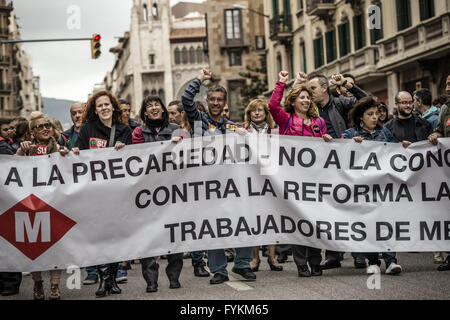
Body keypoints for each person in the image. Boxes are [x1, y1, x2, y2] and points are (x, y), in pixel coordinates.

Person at [182, 68, 254, 285]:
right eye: (211, 99)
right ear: (207, 99)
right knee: (213, 227)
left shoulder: (234, 127)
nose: (215, 103)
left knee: (244, 222)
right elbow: (186, 100)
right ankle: (219, 270)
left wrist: (248, 136)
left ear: (225, 102)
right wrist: (199, 80)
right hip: (209, 186)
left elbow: (257, 149)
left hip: (235, 185)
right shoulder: (198, 121)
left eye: (219, 100)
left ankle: (242, 265)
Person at [269, 71, 332, 277]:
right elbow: (272, 106)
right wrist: (281, 82)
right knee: (299, 222)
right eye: (302, 97)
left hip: (315, 180)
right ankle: (301, 263)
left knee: (315, 222)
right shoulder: (286, 120)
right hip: (294, 181)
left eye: (308, 97)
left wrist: (328, 141)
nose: (306, 100)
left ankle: (315, 261)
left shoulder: (319, 122)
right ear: (294, 101)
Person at [305, 72, 369, 270]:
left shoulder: (341, 103)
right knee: (330, 212)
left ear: (325, 87)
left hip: (347, 162)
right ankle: (333, 255)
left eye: (313, 88)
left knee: (352, 208)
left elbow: (367, 101)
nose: (310, 93)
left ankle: (359, 254)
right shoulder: (310, 110)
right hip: (322, 167)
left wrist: (346, 85)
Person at [72, 90, 131, 298]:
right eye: (100, 106)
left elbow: (132, 161)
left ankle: (112, 279)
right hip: (95, 192)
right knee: (99, 236)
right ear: (95, 110)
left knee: (114, 235)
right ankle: (104, 278)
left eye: (107, 104)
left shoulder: (124, 130)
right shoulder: (87, 129)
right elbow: (77, 153)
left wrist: (126, 149)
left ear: (113, 107)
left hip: (116, 192)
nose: (104, 108)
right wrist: (75, 153)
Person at [132, 95, 186, 292]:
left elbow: (187, 153)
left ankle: (174, 277)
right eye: (149, 106)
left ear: (163, 109)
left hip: (173, 191)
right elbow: (139, 156)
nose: (153, 108)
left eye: (156, 105)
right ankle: (151, 280)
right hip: (148, 193)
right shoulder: (139, 131)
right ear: (145, 112)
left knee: (174, 234)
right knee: (149, 237)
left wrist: (178, 143)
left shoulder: (176, 130)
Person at [340, 96, 398, 274]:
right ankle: (373, 261)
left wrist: (403, 147)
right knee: (366, 225)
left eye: (377, 114)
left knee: (385, 224)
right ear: (361, 117)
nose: (375, 117)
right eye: (370, 114)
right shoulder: (350, 135)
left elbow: (396, 154)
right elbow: (337, 155)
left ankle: (390, 261)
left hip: (381, 189)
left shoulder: (385, 133)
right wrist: (350, 145)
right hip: (361, 190)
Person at [16, 112, 69, 300]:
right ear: (32, 132)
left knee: (58, 247)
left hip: (56, 204)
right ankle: (38, 283)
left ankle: (55, 286)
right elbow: (11, 171)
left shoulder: (61, 148)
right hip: (33, 206)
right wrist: (22, 152)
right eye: (40, 126)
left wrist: (68, 156)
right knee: (34, 248)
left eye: (47, 125)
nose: (45, 128)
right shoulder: (26, 150)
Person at [242, 98, 283, 273]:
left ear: (266, 113)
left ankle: (272, 257)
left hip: (270, 180)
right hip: (250, 181)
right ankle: (255, 258)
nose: (257, 113)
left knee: (271, 220)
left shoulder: (275, 132)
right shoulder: (243, 132)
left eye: (260, 110)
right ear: (249, 114)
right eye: (253, 110)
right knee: (254, 220)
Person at [428, 89, 450, 272]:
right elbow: (440, 131)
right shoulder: (445, 109)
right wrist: (435, 135)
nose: (448, 88)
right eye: (447, 84)